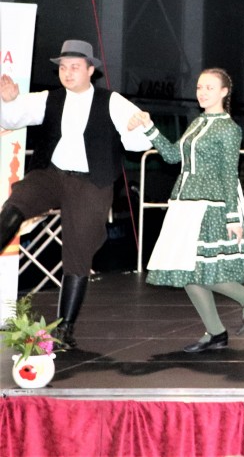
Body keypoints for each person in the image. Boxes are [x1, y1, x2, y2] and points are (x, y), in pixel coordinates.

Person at [0, 39, 154, 347]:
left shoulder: (113, 102)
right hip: (51, 174)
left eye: (74, 67)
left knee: (78, 250)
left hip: (91, 182)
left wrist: (138, 126)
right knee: (17, 201)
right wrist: (10, 101)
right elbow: (11, 119)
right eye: (63, 67)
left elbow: (139, 143)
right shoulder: (49, 98)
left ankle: (65, 329)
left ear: (90, 70)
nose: (67, 73)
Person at [131, 68, 244, 352]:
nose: (202, 92)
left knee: (200, 270)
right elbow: (172, 156)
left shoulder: (229, 129)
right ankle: (217, 332)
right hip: (184, 204)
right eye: (199, 87)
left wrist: (233, 217)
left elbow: (229, 175)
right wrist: (149, 127)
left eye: (209, 87)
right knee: (186, 271)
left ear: (224, 92)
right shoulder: (197, 122)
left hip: (208, 207)